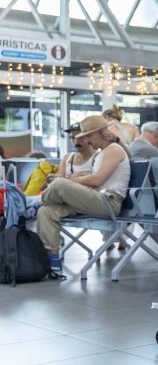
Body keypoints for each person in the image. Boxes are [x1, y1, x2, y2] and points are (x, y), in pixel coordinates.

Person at [36, 115, 131, 272]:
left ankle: (35, 203)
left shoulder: (114, 150)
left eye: (88, 136)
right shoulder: (103, 152)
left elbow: (96, 180)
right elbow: (92, 180)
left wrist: (73, 180)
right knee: (46, 211)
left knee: (59, 184)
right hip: (94, 198)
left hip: (108, 202)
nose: (86, 141)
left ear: (103, 132)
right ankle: (51, 259)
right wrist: (79, 179)